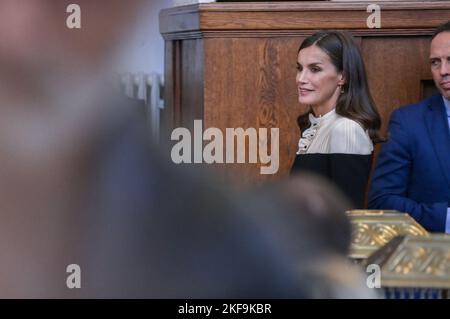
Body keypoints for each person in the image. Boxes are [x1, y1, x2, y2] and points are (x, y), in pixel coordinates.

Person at [368, 21, 450, 233]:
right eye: (435, 62)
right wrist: (445, 220)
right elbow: (382, 201)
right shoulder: (408, 122)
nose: (443, 71)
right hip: (433, 257)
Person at [291, 31, 383, 208]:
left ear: (343, 76)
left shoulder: (346, 129)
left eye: (315, 69)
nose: (301, 79)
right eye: (299, 68)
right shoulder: (318, 125)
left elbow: (346, 214)